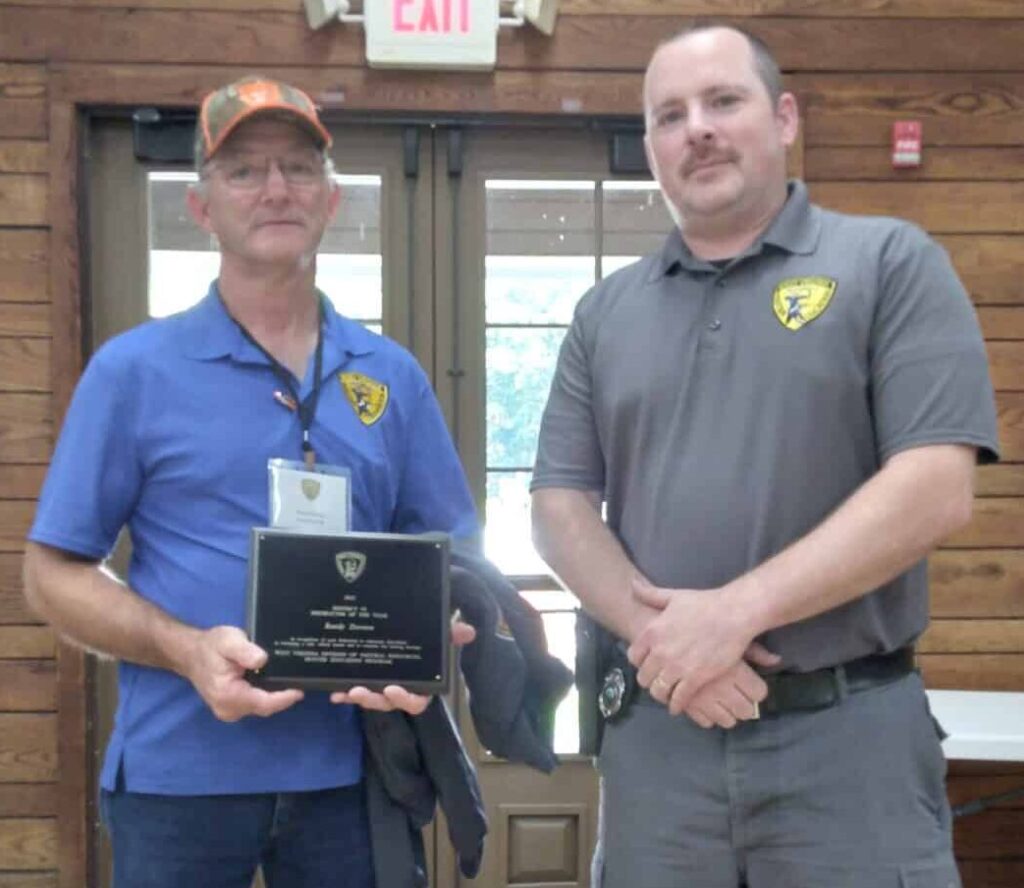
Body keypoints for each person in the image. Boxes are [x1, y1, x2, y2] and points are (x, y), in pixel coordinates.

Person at [531, 24, 998, 888]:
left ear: (784, 118)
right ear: (650, 149)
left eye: (723, 101)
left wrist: (733, 615)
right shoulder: (605, 313)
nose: (696, 129)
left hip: (848, 739)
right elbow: (559, 508)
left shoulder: (890, 263)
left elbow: (936, 486)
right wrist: (671, 645)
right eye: (670, 115)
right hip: (660, 745)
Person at [23, 76, 478, 888]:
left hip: (352, 781)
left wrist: (438, 631)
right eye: (243, 170)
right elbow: (50, 575)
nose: (275, 189)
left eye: (299, 168)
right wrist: (188, 651)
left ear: (331, 201)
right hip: (178, 780)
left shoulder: (391, 377)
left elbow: (450, 554)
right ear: (201, 208)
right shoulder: (133, 373)